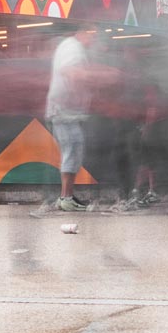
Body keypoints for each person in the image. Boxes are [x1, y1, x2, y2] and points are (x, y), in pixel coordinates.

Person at [46, 26, 102, 212]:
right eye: (91, 34)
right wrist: (97, 77)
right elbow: (70, 72)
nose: (93, 39)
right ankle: (66, 198)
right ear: (81, 32)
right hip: (64, 112)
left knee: (72, 151)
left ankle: (65, 196)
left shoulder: (69, 46)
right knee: (72, 151)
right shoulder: (73, 47)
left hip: (66, 111)